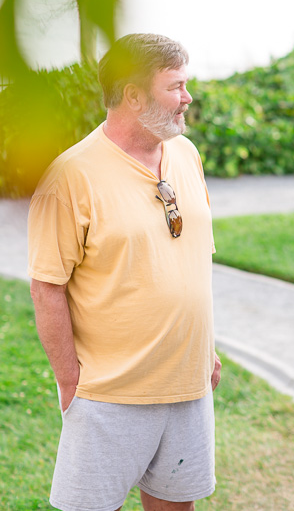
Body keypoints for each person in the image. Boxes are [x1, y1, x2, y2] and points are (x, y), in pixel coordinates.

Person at [28, 33, 221, 511]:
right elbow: (47, 286)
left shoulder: (186, 155)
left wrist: (207, 350)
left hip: (188, 387)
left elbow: (193, 264)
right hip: (109, 396)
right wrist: (71, 381)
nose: (187, 97)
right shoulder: (70, 177)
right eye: (176, 86)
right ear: (134, 95)